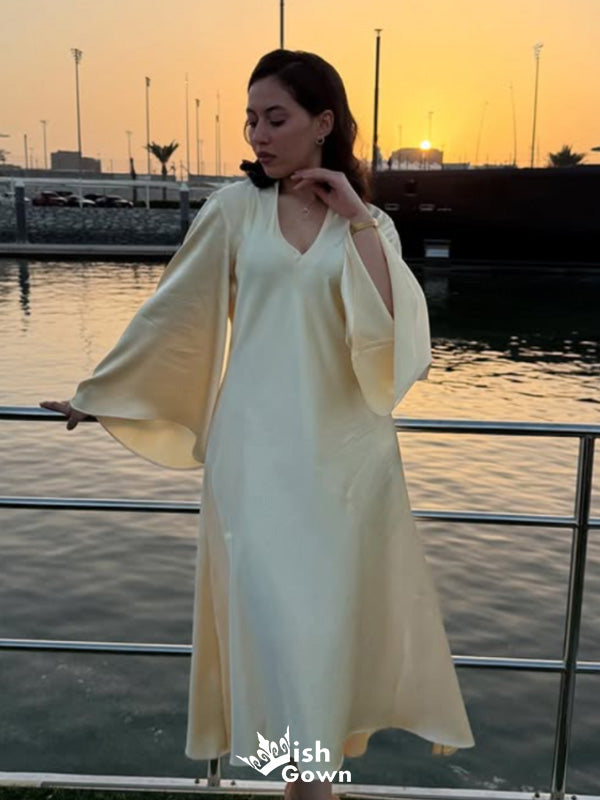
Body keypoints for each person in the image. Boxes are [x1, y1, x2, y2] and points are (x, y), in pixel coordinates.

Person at [40, 49, 474, 800]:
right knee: (278, 632)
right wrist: (101, 392)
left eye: (276, 118)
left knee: (326, 632)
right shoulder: (234, 209)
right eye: (251, 120)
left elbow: (395, 337)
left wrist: (357, 219)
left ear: (323, 123)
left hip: (344, 465)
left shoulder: (369, 223)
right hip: (255, 461)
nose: (258, 135)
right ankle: (310, 788)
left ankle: (309, 789)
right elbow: (176, 312)